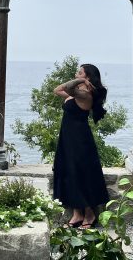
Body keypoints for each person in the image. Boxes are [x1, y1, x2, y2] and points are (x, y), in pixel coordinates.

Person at [52, 63, 109, 229]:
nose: (76, 74)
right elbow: (57, 90)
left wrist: (78, 80)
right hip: (67, 137)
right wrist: (79, 79)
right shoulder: (77, 92)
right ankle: (77, 212)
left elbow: (68, 88)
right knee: (68, 171)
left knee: (80, 172)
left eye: (80, 72)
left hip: (80, 139)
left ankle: (89, 213)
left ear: (88, 77)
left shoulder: (86, 94)